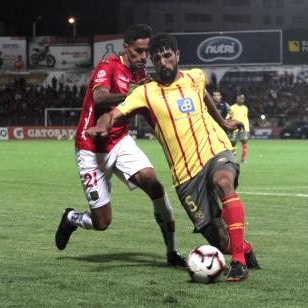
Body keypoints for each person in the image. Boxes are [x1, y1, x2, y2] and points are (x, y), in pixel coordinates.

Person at [87, 33, 260, 282]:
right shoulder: (145, 92)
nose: (163, 62)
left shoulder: (196, 77)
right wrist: (103, 125)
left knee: (224, 181)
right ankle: (244, 249)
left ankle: (239, 264)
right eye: (157, 59)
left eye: (167, 56)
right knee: (222, 242)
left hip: (215, 150)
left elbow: (204, 95)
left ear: (177, 56)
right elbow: (114, 114)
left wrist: (222, 123)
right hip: (185, 176)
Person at [55, 24, 185, 266]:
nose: (144, 57)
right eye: (139, 51)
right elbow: (100, 97)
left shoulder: (141, 75)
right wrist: (133, 93)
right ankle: (71, 217)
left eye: (147, 52)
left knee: (155, 186)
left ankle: (172, 252)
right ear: (126, 47)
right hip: (91, 149)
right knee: (102, 222)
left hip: (120, 141)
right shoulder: (109, 66)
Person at [229, 94, 250, 163]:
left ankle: (243, 159)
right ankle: (231, 159)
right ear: (237, 99)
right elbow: (229, 118)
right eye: (240, 98)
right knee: (233, 143)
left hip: (243, 129)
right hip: (234, 129)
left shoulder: (245, 108)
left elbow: (246, 119)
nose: (242, 99)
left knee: (244, 142)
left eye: (243, 98)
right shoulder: (232, 108)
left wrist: (247, 130)